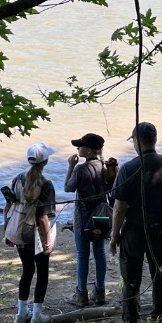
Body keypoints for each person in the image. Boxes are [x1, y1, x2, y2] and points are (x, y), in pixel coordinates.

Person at [109, 122, 162, 323]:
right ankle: (159, 318)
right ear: (155, 140)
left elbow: (119, 207)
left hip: (135, 229)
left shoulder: (128, 168)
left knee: (131, 279)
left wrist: (114, 235)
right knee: (161, 275)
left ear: (138, 142)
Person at [3, 142, 57, 323]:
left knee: (27, 271)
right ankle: (37, 317)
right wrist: (48, 241)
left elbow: (9, 205)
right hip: (36, 234)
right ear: (46, 161)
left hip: (19, 230)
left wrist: (7, 230)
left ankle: (21, 315)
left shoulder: (18, 179)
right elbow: (43, 216)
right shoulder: (47, 184)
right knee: (43, 274)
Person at [65, 132, 109, 308]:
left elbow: (68, 188)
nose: (77, 148)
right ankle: (100, 293)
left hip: (83, 217)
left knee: (82, 254)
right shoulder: (107, 167)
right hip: (102, 214)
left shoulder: (81, 169)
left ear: (89, 150)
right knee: (100, 253)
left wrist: (70, 166)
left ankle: (81, 295)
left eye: (80, 146)